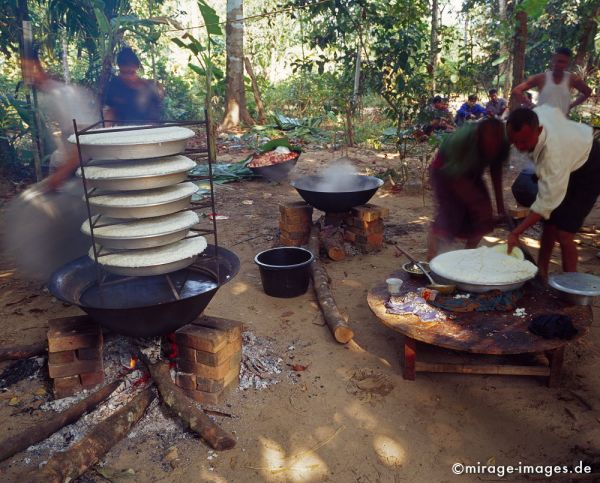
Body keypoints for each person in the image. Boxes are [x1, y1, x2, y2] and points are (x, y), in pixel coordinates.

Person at [506, 106, 600, 279]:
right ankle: (541, 273)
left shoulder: (553, 156)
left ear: (539, 130)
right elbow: (554, 109)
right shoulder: (537, 113)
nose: (519, 147)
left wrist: (516, 232)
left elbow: (545, 204)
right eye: (514, 141)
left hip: (589, 166)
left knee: (564, 232)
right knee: (550, 223)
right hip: (570, 156)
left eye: (524, 142)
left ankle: (572, 291)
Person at [427, 118, 510, 259]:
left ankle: (466, 258)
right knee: (450, 215)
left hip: (471, 171)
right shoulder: (461, 141)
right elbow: (456, 180)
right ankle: (431, 261)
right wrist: (476, 203)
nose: (491, 151)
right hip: (445, 170)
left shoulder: (503, 143)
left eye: (495, 147)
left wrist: (500, 208)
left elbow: (496, 170)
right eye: (488, 147)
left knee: (484, 220)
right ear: (478, 137)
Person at [21, 54, 100, 189]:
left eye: (29, 69)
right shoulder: (53, 95)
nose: (26, 76)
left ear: (40, 68)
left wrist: (57, 179)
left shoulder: (64, 96)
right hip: (72, 164)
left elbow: (82, 147)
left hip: (86, 169)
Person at [512, 47, 591, 115]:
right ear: (552, 60)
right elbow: (517, 91)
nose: (558, 64)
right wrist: (531, 105)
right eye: (557, 61)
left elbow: (587, 92)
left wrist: (571, 106)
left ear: (567, 63)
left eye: (562, 62)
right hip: (541, 121)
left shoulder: (572, 79)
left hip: (561, 122)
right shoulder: (541, 78)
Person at [103, 47, 164, 123]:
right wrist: (107, 131)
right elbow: (110, 112)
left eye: (131, 73)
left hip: (148, 131)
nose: (128, 77)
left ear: (136, 69)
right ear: (119, 68)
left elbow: (155, 116)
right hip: (125, 132)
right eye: (124, 73)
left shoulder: (149, 87)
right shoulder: (115, 86)